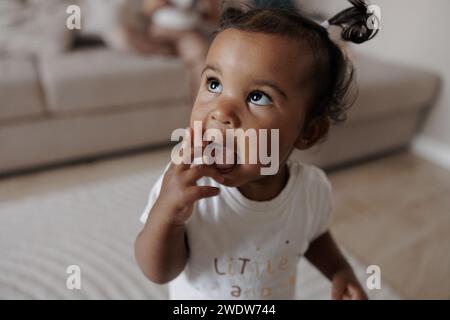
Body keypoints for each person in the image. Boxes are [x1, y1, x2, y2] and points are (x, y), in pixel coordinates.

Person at [135, 0, 378, 299]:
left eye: (258, 97)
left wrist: (340, 270)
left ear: (309, 132)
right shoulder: (187, 188)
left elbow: (312, 236)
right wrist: (167, 214)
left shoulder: (311, 190)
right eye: (213, 84)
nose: (221, 111)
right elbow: (158, 272)